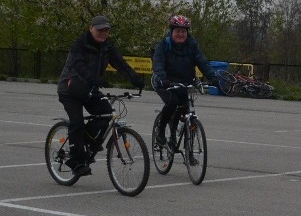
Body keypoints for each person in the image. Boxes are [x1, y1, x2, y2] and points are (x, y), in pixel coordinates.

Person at [57, 15, 145, 177]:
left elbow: (121, 64)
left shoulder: (107, 47)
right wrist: (93, 78)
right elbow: (79, 65)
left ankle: (88, 143)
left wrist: (135, 79)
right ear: (91, 28)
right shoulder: (79, 44)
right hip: (70, 88)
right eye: (99, 30)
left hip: (89, 89)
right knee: (76, 122)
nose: (103, 33)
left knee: (106, 113)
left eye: (106, 30)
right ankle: (76, 161)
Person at [151, 15, 218, 146]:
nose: (180, 34)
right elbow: (158, 63)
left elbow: (202, 62)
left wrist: (213, 77)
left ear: (187, 33)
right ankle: (161, 130)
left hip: (184, 82)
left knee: (185, 109)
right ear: (172, 32)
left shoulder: (192, 45)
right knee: (172, 101)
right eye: (177, 31)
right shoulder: (164, 44)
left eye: (183, 31)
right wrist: (163, 78)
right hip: (164, 82)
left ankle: (188, 152)